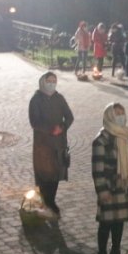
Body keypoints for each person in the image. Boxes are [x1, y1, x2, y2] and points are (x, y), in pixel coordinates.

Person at [92, 103, 128, 254]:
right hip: (110, 187)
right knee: (106, 223)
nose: (121, 117)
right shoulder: (101, 140)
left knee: (119, 221)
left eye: (122, 113)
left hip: (124, 186)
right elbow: (97, 169)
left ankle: (115, 250)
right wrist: (102, 190)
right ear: (110, 116)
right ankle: (101, 253)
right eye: (117, 114)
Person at [29, 72, 74, 215]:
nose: (51, 84)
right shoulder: (36, 100)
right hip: (43, 144)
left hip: (58, 143)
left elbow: (69, 116)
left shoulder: (59, 98)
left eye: (54, 81)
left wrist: (62, 127)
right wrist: (50, 130)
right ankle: (45, 201)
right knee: (44, 174)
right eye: (49, 81)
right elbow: (34, 122)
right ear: (43, 82)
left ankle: (51, 200)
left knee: (55, 173)